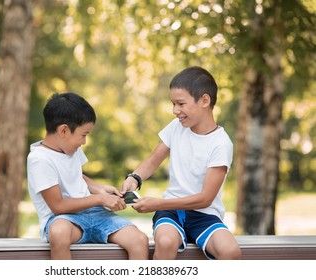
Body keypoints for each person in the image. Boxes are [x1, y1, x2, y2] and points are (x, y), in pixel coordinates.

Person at [121, 66, 242, 260]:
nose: (175, 110)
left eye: (180, 104)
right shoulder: (176, 127)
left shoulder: (221, 144)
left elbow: (205, 199)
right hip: (171, 213)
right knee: (166, 242)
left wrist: (158, 203)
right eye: (173, 104)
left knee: (230, 252)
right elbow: (152, 161)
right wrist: (134, 178)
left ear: (204, 100)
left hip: (204, 214)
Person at [27, 92, 148, 260]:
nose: (84, 142)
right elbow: (58, 205)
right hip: (64, 219)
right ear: (64, 130)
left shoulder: (69, 148)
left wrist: (99, 189)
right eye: (83, 135)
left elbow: (77, 175)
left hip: (96, 214)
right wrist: (100, 199)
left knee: (139, 240)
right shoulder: (39, 159)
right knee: (58, 232)